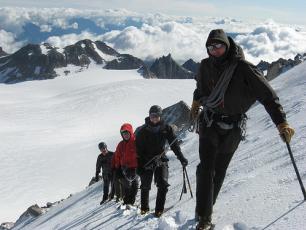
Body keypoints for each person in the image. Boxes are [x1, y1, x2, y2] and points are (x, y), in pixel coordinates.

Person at [190, 29, 295, 230]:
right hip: (210, 123)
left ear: (227, 46)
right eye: (210, 47)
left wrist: (281, 123)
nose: (214, 50)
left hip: (233, 128)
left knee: (219, 170)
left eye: (218, 46)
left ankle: (206, 207)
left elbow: (268, 96)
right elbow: (201, 89)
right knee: (205, 168)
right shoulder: (205, 66)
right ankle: (204, 218)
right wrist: (196, 103)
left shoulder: (243, 68)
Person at [136, 105, 188, 217]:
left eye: (156, 116)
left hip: (161, 159)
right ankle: (144, 209)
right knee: (145, 186)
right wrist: (139, 166)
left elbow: (174, 145)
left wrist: (181, 158)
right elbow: (138, 151)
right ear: (149, 116)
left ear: (160, 116)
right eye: (152, 115)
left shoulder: (166, 129)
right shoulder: (142, 132)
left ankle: (159, 210)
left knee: (163, 185)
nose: (154, 118)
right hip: (146, 161)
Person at [112, 123, 139, 207]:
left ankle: (131, 201)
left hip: (135, 167)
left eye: (127, 133)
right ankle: (127, 201)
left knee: (135, 184)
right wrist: (117, 168)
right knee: (127, 185)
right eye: (123, 134)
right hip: (125, 168)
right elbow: (117, 156)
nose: (125, 135)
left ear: (130, 132)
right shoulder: (121, 145)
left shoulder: (136, 142)